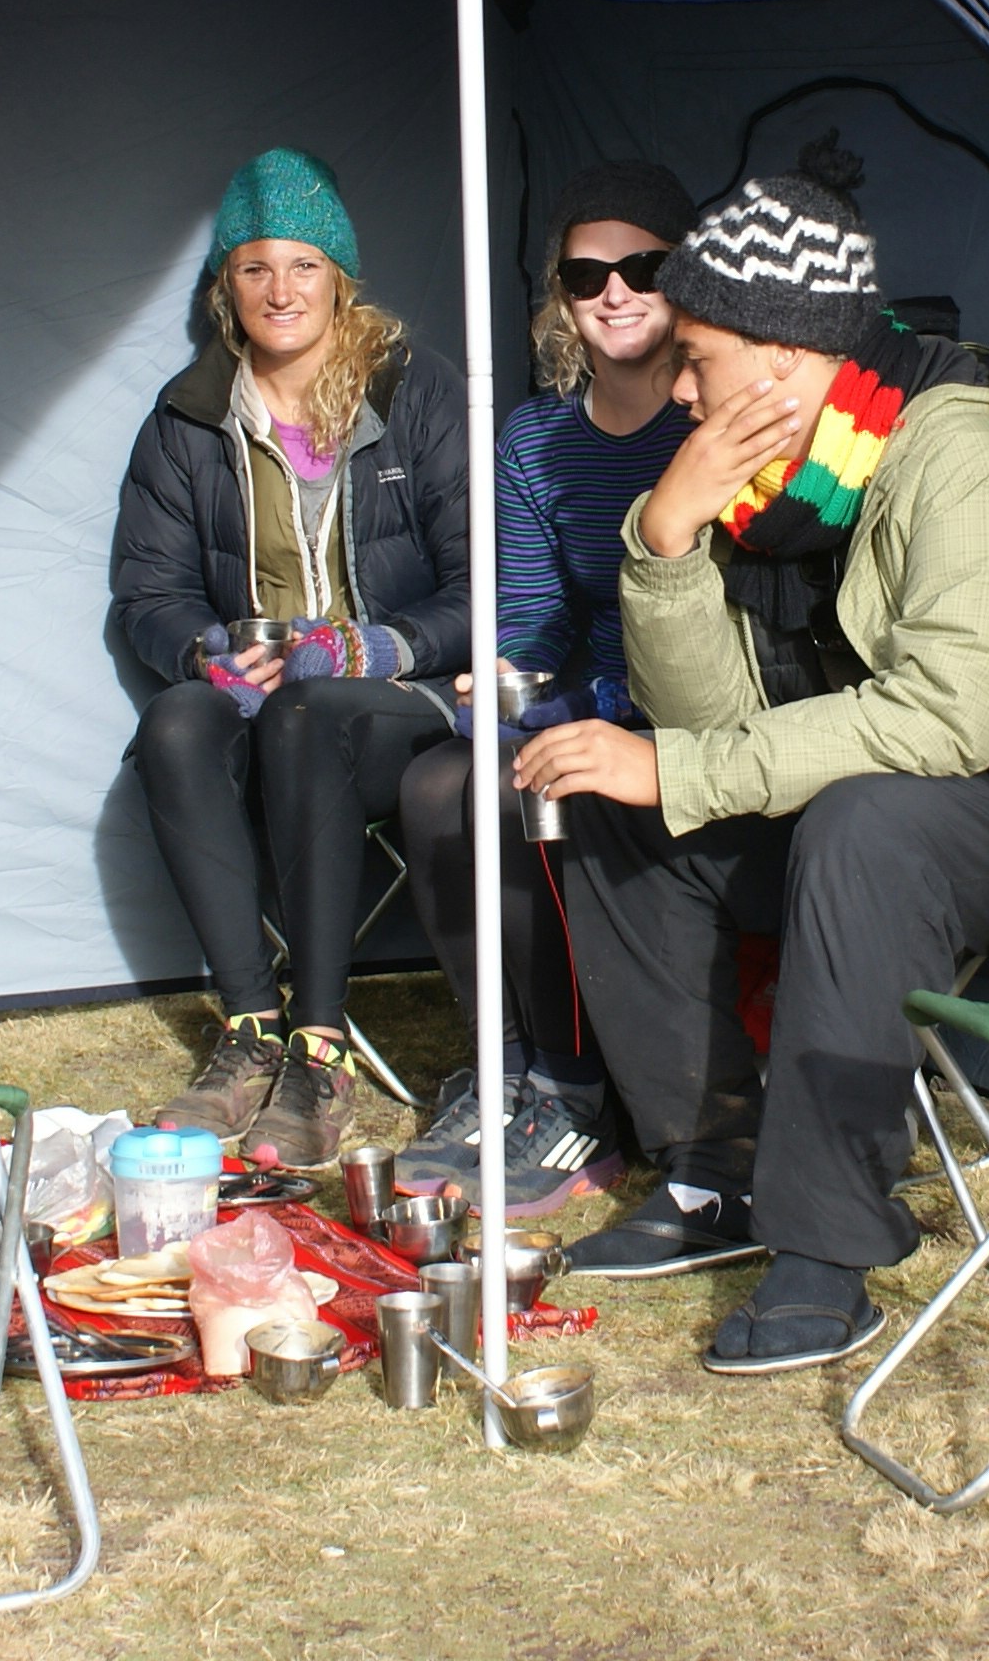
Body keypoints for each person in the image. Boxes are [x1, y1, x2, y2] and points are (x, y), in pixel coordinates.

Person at [511, 144, 989, 1375]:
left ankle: (827, 1245)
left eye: (696, 361)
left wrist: (690, 770)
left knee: (858, 820)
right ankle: (716, 1176)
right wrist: (662, 534)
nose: (683, 394)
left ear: (780, 352)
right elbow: (699, 720)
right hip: (831, 812)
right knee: (612, 797)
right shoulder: (759, 481)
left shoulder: (960, 446)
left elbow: (954, 717)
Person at [105, 147, 468, 1169]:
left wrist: (367, 644)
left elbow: (479, 583)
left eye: (302, 265)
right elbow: (145, 590)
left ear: (338, 278)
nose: (279, 290)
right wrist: (203, 646)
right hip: (260, 690)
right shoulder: (186, 421)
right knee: (173, 723)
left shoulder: (414, 393)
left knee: (314, 713)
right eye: (254, 267)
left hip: (394, 691)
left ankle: (319, 1048)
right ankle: (247, 1030)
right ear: (226, 285)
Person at [386, 162, 698, 1218]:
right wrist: (506, 675)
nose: (613, 292)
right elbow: (533, 616)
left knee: (539, 783)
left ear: (683, 277)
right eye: (586, 274)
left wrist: (578, 705)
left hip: (688, 701)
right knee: (437, 783)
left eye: (641, 267)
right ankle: (503, 1068)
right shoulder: (534, 437)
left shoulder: (715, 426)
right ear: (560, 296)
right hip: (585, 691)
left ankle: (573, 1089)